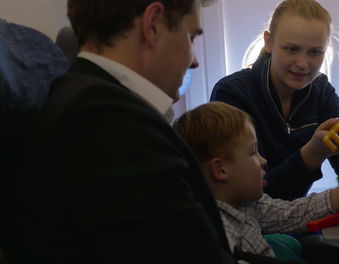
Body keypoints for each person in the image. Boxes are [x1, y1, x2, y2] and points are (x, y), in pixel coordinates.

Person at [2, 1, 237, 263]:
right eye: (191, 37)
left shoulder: (82, 99)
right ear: (153, 25)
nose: (194, 61)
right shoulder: (111, 124)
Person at [173, 102, 339, 264]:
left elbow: (294, 213)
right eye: (253, 153)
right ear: (220, 169)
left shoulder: (249, 204)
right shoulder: (218, 234)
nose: (263, 161)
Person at [210, 0, 339, 201]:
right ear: (269, 42)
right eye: (291, 49)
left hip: (294, 217)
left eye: (314, 52)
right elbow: (249, 197)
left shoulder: (320, 89)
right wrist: (311, 155)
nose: (302, 64)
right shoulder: (232, 94)